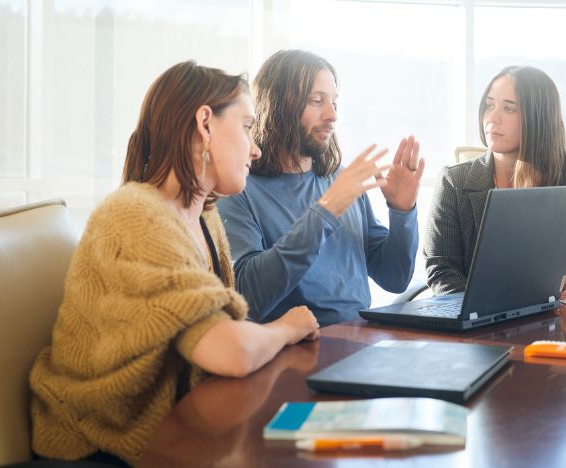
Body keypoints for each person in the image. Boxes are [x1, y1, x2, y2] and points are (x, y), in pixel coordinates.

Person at [29, 61, 320, 466]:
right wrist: (287, 328)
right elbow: (230, 352)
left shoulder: (206, 217)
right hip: (97, 447)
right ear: (205, 123)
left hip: (177, 431)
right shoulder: (135, 215)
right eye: (248, 127)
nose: (255, 148)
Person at [217, 49, 425, 326]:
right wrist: (326, 211)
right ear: (278, 105)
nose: (332, 115)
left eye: (334, 102)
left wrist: (402, 211)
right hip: (291, 347)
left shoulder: (341, 179)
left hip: (360, 340)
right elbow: (248, 300)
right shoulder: (239, 190)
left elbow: (394, 278)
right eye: (317, 101)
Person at [424, 65, 566, 300]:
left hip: (556, 315)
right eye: (489, 105)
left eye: (509, 108)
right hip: (479, 320)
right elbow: (441, 270)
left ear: (539, 118)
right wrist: (484, 309)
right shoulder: (454, 181)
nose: (492, 118)